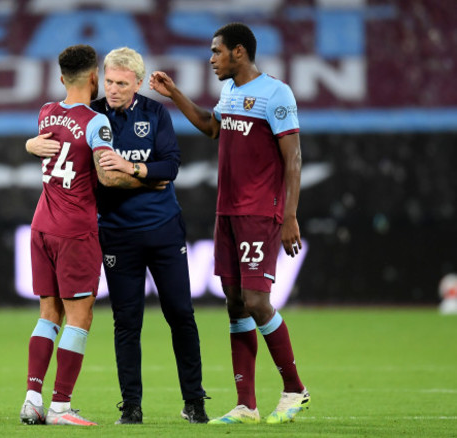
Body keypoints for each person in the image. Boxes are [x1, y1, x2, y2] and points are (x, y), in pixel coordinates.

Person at [149, 22, 310, 424]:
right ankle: (246, 405)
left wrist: (289, 214)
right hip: (228, 212)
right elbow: (211, 127)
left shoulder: (277, 93)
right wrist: (174, 95)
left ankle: (294, 389)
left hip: (260, 212)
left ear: (239, 52)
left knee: (256, 301)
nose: (211, 59)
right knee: (235, 304)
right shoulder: (231, 92)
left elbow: (293, 158)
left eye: (216, 51)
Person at [19, 44, 146, 427]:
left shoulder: (46, 112)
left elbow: (43, 146)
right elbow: (107, 175)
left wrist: (28, 144)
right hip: (75, 230)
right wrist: (146, 176)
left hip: (42, 224)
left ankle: (31, 400)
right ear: (94, 78)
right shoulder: (96, 122)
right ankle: (60, 406)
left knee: (48, 315)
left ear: (61, 78)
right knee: (80, 316)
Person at [94, 47, 209, 425]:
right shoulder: (93, 115)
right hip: (117, 233)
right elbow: (102, 180)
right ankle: (131, 407)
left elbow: (171, 167)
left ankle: (194, 402)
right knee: (127, 322)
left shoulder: (155, 113)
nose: (113, 89)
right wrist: (146, 176)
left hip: (163, 231)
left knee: (181, 314)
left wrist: (129, 166)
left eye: (122, 84)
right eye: (109, 81)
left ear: (138, 83)